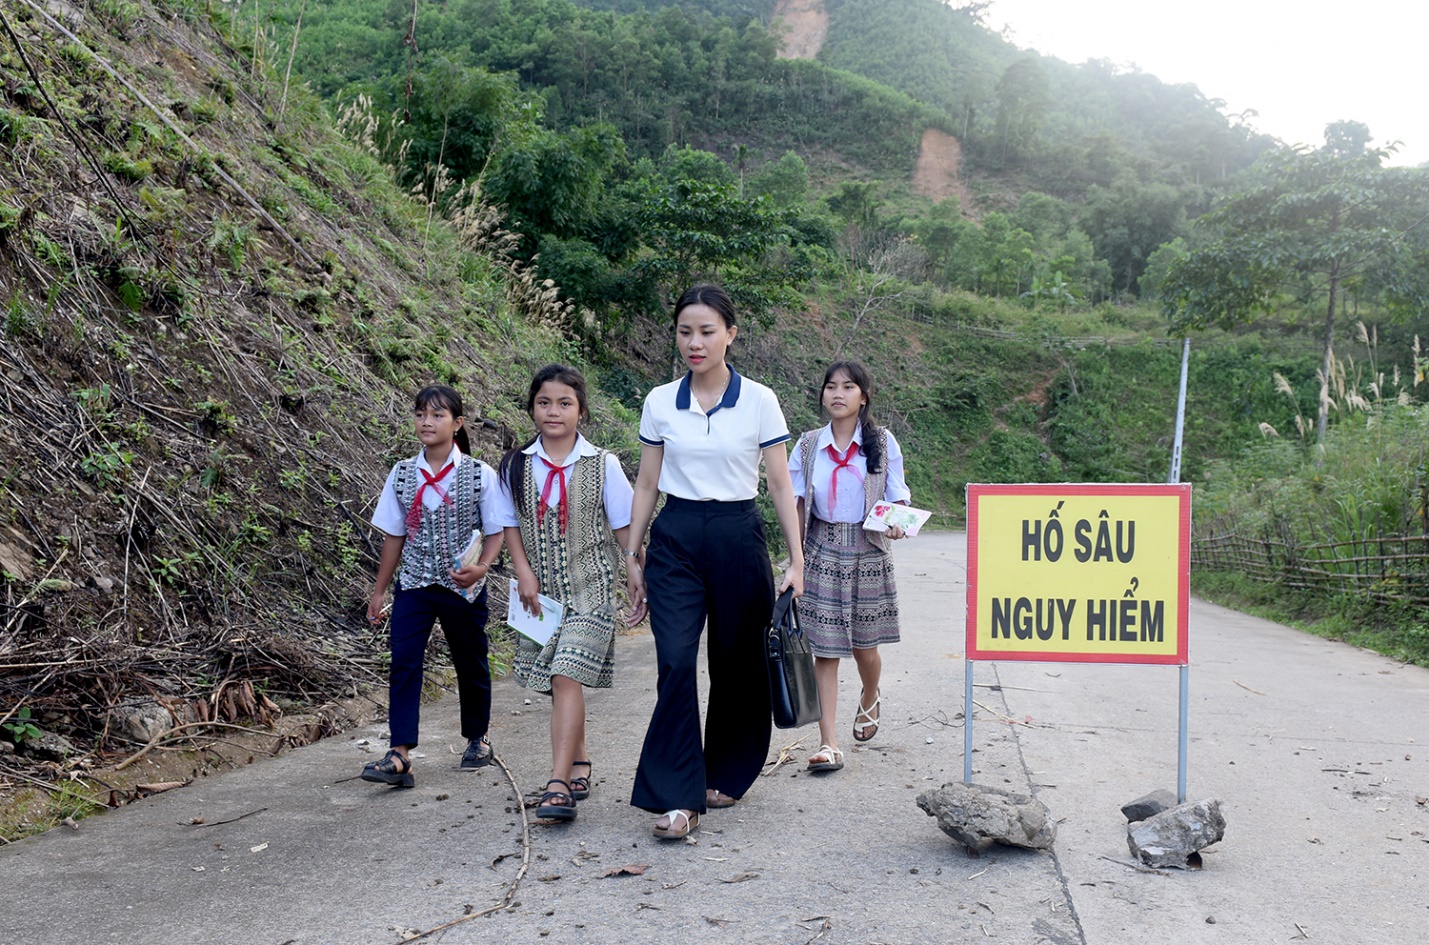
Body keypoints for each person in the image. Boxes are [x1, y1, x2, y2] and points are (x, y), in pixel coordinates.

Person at [624, 284, 805, 840]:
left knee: (735, 661)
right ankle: (678, 795)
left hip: (736, 532)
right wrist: (633, 555)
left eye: (707, 331)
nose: (695, 343)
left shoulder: (759, 399)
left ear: (731, 333)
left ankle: (725, 770)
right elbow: (648, 481)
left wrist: (795, 560)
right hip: (675, 537)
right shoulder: (660, 401)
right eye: (684, 332)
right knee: (675, 660)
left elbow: (779, 482)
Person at [493, 365, 637, 823]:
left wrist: (636, 569)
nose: (553, 411)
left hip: (591, 589)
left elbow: (624, 527)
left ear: (581, 410)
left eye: (564, 403)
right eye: (544, 402)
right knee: (559, 679)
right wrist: (523, 572)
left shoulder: (604, 465)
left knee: (565, 673)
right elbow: (509, 523)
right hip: (541, 594)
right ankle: (579, 762)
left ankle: (557, 785)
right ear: (532, 407)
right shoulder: (516, 464)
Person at [362, 385, 504, 788]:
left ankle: (478, 738)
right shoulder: (402, 472)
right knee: (404, 660)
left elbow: (496, 529)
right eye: (421, 413)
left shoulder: (479, 474)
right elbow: (393, 536)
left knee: (470, 660)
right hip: (415, 583)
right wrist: (380, 590)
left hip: (463, 585)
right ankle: (400, 753)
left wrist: (482, 568)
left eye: (438, 415)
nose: (427, 421)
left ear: (457, 424)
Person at [788, 361, 910, 774]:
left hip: (868, 551)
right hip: (822, 550)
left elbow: (898, 498)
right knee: (824, 650)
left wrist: (896, 523)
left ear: (863, 396)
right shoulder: (807, 446)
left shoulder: (882, 442)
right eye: (830, 387)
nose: (837, 394)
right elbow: (795, 504)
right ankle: (829, 743)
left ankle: (871, 692)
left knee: (864, 648)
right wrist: (797, 559)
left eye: (848, 386)